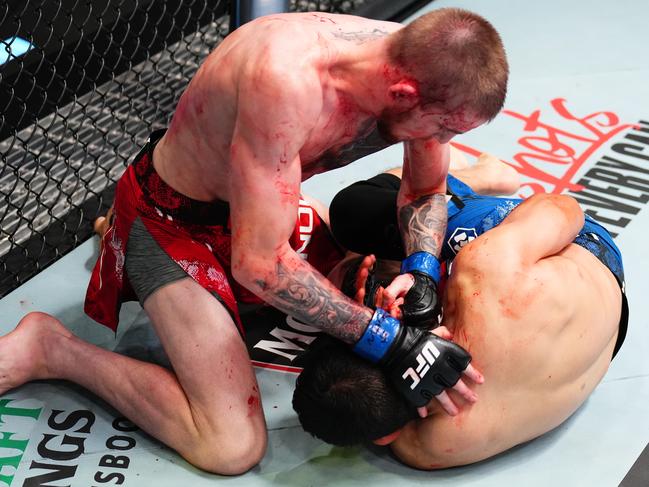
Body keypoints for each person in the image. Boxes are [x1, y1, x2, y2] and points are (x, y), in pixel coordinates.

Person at [0, 9, 508, 474]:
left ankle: (115, 234)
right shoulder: (287, 80)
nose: (441, 141)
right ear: (402, 93)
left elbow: (423, 189)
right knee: (229, 445)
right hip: (176, 227)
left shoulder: (422, 64)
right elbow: (260, 264)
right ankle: (53, 349)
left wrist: (422, 272)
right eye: (442, 128)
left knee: (383, 272)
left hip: (265, 214)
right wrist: (391, 341)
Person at [293, 166, 628, 469]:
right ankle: (483, 176)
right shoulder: (483, 271)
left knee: (359, 264)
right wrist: (419, 270)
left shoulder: (425, 448)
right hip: (587, 254)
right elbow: (565, 208)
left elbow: (386, 413)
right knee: (354, 210)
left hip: (606, 339)